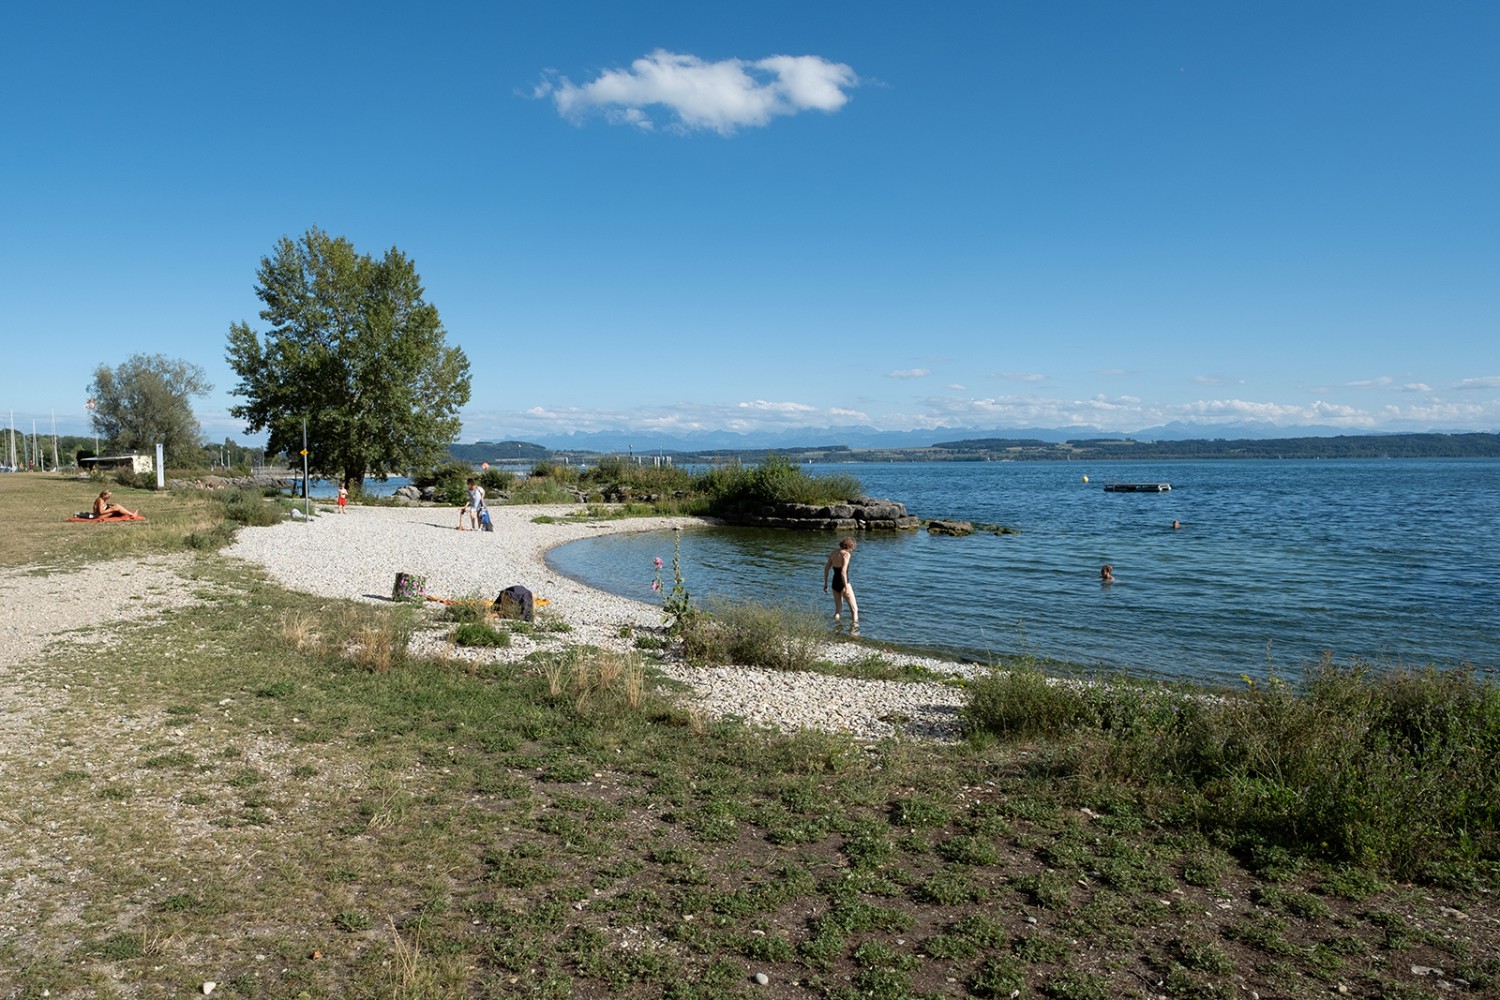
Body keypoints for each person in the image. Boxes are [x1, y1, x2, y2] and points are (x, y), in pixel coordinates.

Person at [823, 536, 860, 627]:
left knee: (838, 611)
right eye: (852, 548)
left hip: (834, 583)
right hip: (844, 583)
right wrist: (846, 588)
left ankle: (835, 629)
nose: (852, 550)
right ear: (849, 546)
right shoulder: (846, 555)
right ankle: (854, 631)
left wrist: (826, 584)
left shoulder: (833, 553)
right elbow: (843, 572)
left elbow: (826, 569)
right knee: (854, 610)